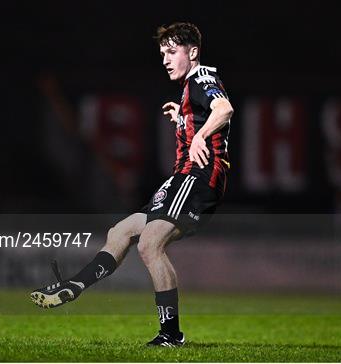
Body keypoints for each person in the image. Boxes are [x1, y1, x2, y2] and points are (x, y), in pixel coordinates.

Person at [31, 22, 233, 347]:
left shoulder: (201, 77)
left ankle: (171, 334)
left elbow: (224, 108)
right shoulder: (189, 87)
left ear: (192, 52)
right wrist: (182, 120)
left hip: (198, 176)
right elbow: (208, 112)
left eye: (171, 52)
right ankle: (74, 286)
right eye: (162, 53)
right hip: (182, 178)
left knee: (149, 244)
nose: (165, 59)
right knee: (120, 232)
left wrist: (200, 134)